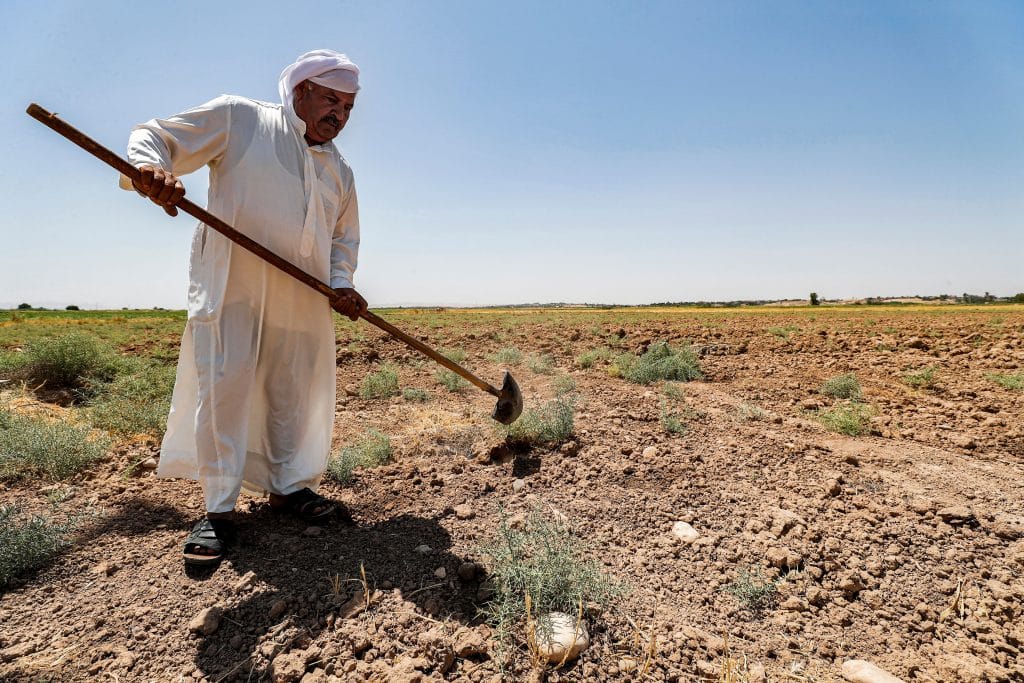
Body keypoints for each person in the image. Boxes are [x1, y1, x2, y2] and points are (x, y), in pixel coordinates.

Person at [122, 49, 368, 567]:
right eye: (331, 100)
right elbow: (156, 135)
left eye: (348, 106)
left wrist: (342, 282)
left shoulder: (340, 171)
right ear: (300, 91)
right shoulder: (241, 118)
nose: (340, 114)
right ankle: (217, 510)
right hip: (234, 283)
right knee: (225, 388)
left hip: (304, 296)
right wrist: (152, 168)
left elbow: (343, 240)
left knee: (294, 391)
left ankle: (290, 488)